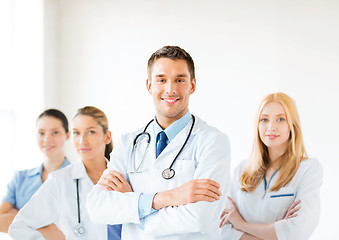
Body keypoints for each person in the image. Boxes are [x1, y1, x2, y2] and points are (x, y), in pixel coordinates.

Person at [86, 46, 231, 240]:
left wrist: (135, 209)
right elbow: (98, 208)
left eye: (180, 80)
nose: (170, 89)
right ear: (149, 85)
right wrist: (168, 198)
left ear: (192, 85)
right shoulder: (128, 143)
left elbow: (201, 218)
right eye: (161, 80)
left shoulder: (213, 141)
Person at [219, 92, 323, 240]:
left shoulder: (308, 169)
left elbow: (298, 231)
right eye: (264, 119)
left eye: (281, 119)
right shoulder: (241, 170)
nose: (271, 127)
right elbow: (222, 228)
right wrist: (279, 231)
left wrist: (241, 225)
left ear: (292, 125)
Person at [9, 106, 122, 240]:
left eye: (91, 132)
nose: (82, 141)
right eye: (76, 133)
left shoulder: (123, 175)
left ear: (107, 137)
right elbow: (18, 227)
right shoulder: (59, 180)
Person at [0, 109, 70, 237]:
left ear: (67, 135)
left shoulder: (76, 179)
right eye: (41, 133)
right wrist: (49, 228)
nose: (47, 139)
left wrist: (19, 220)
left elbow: (67, 234)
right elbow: (0, 221)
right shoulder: (20, 178)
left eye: (55, 132)